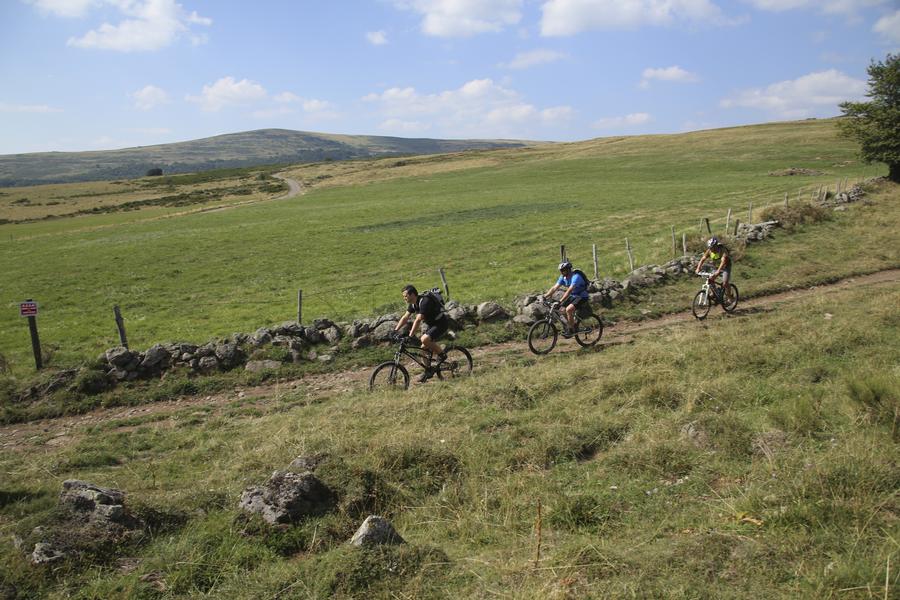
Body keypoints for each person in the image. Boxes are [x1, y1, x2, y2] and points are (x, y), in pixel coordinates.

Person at [394, 285, 449, 382]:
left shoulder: (424, 302)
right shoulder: (413, 304)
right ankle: (428, 371)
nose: (404, 298)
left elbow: (418, 320)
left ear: (412, 295)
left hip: (441, 323)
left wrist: (410, 336)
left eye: (405, 296)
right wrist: (395, 330)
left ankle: (442, 355)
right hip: (431, 324)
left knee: (424, 339)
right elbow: (405, 317)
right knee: (423, 348)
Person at [543, 261, 590, 337]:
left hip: (582, 296)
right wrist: (545, 296)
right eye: (561, 271)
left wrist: (560, 301)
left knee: (568, 310)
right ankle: (572, 325)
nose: (561, 272)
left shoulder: (576, 276)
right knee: (561, 310)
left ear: (568, 269)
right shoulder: (563, 277)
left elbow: (570, 290)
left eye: (563, 270)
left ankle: (571, 330)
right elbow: (554, 288)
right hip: (573, 296)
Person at [695, 237, 734, 302]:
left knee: (725, 283)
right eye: (710, 247)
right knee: (710, 280)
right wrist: (698, 268)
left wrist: (718, 272)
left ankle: (730, 297)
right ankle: (714, 293)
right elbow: (702, 259)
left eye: (712, 247)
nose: (711, 249)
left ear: (716, 246)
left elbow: (723, 262)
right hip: (716, 267)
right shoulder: (709, 251)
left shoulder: (722, 250)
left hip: (726, 267)